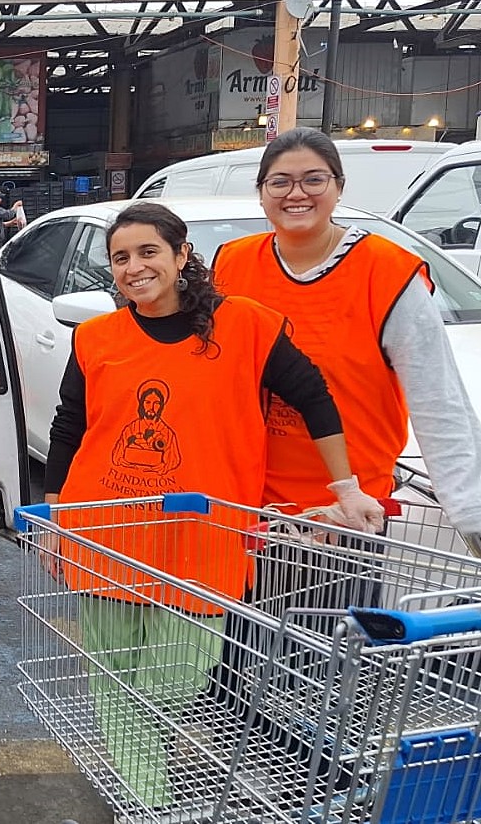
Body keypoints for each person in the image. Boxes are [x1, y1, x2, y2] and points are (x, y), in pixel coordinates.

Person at [43, 201, 381, 813]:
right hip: (105, 532)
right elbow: (69, 428)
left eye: (148, 252)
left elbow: (313, 396)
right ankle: (147, 803)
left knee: (175, 682)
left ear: (181, 256)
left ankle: (145, 788)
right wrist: (54, 519)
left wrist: (346, 486)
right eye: (120, 258)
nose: (134, 267)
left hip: (203, 541)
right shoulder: (95, 339)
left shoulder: (244, 325)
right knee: (112, 681)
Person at [213, 127, 481, 548]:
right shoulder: (233, 263)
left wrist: (469, 512)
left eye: (314, 180)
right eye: (280, 182)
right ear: (261, 192)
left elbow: (438, 399)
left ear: (339, 187)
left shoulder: (387, 273)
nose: (296, 193)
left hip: (347, 515)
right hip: (247, 507)